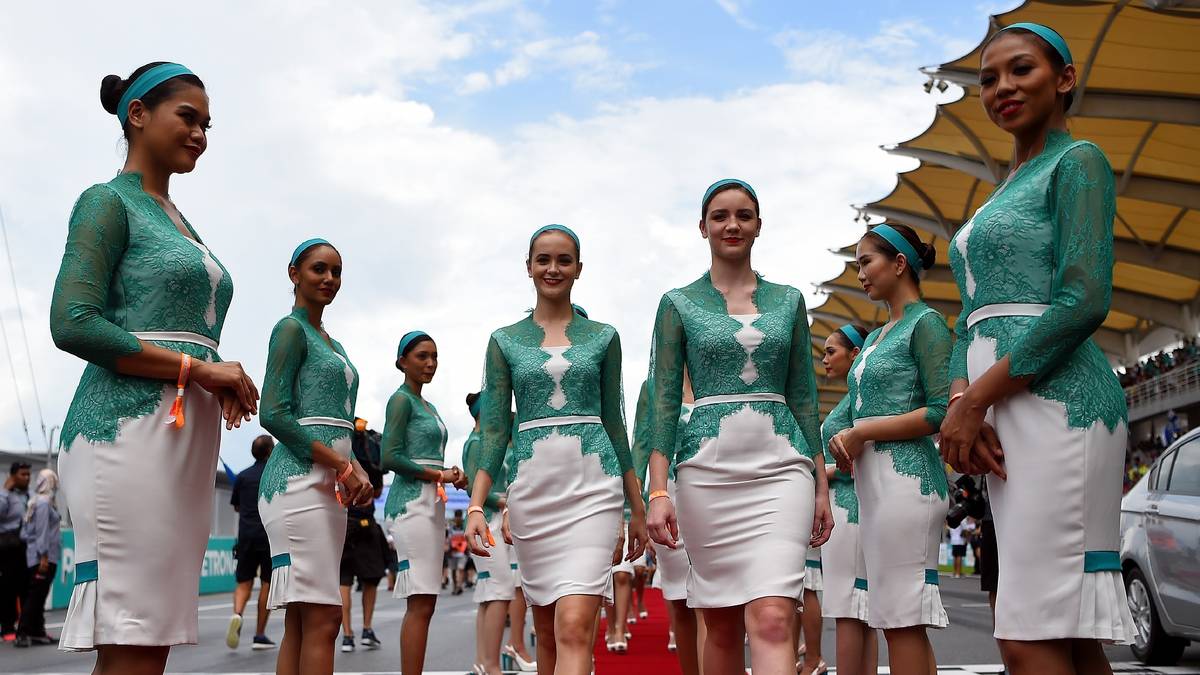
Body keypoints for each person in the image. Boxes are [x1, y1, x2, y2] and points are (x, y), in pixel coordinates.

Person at [50, 62, 260, 672]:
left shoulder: (177, 219)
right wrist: (199, 371)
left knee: (148, 642)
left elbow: (185, 330)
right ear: (137, 114)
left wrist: (217, 372)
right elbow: (72, 322)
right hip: (124, 432)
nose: (199, 134)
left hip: (181, 438)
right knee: (134, 638)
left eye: (207, 125)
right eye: (187, 117)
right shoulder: (106, 202)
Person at [940, 22, 1135, 674]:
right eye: (988, 79)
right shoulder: (1001, 189)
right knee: (1066, 635)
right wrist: (962, 402)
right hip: (1001, 407)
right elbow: (970, 318)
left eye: (1020, 69)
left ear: (1065, 78)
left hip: (1061, 405)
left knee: (1028, 635)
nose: (1002, 87)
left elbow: (1084, 299)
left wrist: (976, 401)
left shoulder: (1078, 162)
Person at [646, 179, 833, 675]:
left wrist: (820, 484)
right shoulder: (677, 303)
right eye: (721, 216)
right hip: (705, 475)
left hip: (782, 470)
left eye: (744, 215)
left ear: (758, 226)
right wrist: (658, 492)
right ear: (702, 227)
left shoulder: (789, 301)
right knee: (722, 625)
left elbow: (804, 398)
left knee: (773, 618)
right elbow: (663, 405)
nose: (732, 225)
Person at [466, 224, 648, 675]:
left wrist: (636, 507)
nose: (553, 268)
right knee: (546, 633)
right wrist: (476, 506)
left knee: (573, 627)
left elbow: (615, 424)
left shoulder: (604, 337)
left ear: (579, 269)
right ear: (528, 267)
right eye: (543, 260)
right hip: (533, 496)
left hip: (594, 491)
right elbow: (495, 433)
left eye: (564, 260)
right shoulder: (504, 340)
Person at [828, 222, 953, 675]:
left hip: (909, 480)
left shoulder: (926, 323)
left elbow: (940, 410)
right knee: (895, 620)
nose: (860, 274)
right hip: (875, 485)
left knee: (902, 620)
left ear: (900, 263)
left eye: (867, 262)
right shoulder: (878, 336)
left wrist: (863, 433)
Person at [258, 238, 373, 675]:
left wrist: (355, 466)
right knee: (324, 618)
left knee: (303, 622)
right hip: (295, 484)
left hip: (328, 488)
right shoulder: (290, 330)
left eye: (336, 272)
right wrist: (342, 464)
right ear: (294, 274)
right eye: (318, 269)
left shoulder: (334, 344)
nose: (329, 279)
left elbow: (338, 423)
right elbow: (274, 413)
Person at [381, 330, 465, 675]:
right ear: (402, 361)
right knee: (420, 602)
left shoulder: (428, 406)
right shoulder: (401, 400)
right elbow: (389, 456)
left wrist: (450, 474)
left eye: (434, 356)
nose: (430, 363)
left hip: (432, 504)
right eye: (422, 356)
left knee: (426, 602)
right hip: (411, 504)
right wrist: (437, 475)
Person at [819, 324, 878, 675]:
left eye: (831, 352)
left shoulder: (860, 399)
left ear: (855, 353)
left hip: (849, 506)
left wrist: (821, 474)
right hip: (852, 505)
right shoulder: (854, 397)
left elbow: (862, 454)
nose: (824, 359)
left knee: (849, 606)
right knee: (860, 608)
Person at [634, 372, 702, 675]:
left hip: (717, 492)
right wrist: (637, 507)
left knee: (713, 601)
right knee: (681, 601)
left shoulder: (718, 370)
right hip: (667, 499)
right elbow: (641, 445)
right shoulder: (653, 386)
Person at [463, 392, 516, 675]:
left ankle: (482, 661)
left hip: (492, 520)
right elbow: (474, 487)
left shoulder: (488, 443)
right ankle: (491, 664)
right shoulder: (476, 444)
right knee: (501, 588)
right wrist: (503, 502)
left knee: (490, 591)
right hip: (485, 521)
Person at [227, 435, 276, 651]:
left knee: (243, 582)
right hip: (268, 535)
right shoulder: (274, 475)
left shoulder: (242, 477)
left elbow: (237, 506)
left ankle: (237, 614)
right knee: (267, 583)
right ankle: (259, 634)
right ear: (270, 452)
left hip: (246, 535)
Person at [339, 462, 387, 653]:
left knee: (343, 581)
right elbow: (377, 492)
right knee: (371, 579)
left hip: (344, 523)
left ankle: (347, 635)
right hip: (366, 524)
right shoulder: (370, 460)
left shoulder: (338, 455)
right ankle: (367, 629)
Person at [14, 468, 60, 647]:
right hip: (43, 557)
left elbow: (27, 532)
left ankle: (37, 631)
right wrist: (43, 556)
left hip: (42, 555)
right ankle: (23, 632)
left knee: (39, 596)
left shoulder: (37, 501)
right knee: (35, 597)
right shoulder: (43, 503)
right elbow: (41, 531)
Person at [0, 461, 31, 640]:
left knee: (26, 587)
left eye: (28, 474)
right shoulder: (5, 495)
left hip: (26, 546)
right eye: (22, 474)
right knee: (8, 588)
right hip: (8, 547)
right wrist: (5, 490)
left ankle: (25, 626)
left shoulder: (29, 495)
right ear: (13, 476)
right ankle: (7, 627)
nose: (26, 478)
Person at [448, 510, 469, 595]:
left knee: (461, 568)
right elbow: (448, 539)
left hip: (462, 552)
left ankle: (459, 586)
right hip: (452, 552)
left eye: (459, 517)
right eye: (457, 517)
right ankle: (455, 586)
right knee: (453, 570)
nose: (458, 519)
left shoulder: (465, 526)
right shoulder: (451, 527)